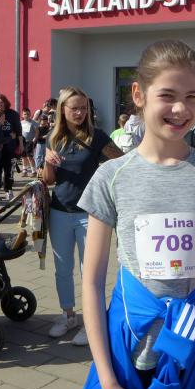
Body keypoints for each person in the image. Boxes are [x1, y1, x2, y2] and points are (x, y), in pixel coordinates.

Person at [75, 40, 195, 389]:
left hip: (194, 349)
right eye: (167, 95)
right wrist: (108, 383)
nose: (181, 109)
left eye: (192, 97)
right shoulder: (111, 177)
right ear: (139, 94)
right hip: (126, 350)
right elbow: (92, 281)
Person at [43, 87, 122, 346]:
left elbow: (122, 162)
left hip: (90, 214)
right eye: (74, 108)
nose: (79, 113)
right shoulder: (54, 137)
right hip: (60, 211)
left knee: (90, 272)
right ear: (62, 110)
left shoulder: (97, 136)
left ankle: (92, 323)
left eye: (83, 108)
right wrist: (48, 162)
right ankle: (68, 316)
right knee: (62, 269)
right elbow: (48, 180)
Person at [0, 94, 22, 201]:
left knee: (9, 170)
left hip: (10, 148)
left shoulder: (13, 114)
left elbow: (18, 130)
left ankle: (8, 190)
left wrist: (21, 144)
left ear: (6, 103)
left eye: (1, 102)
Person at [20, 107, 38, 177]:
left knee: (29, 157)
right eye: (25, 114)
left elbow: (37, 132)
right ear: (22, 115)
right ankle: (24, 171)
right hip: (22, 142)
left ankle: (34, 171)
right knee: (23, 156)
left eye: (28, 114)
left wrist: (34, 140)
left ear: (30, 114)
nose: (26, 115)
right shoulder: (21, 123)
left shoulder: (33, 123)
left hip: (30, 142)